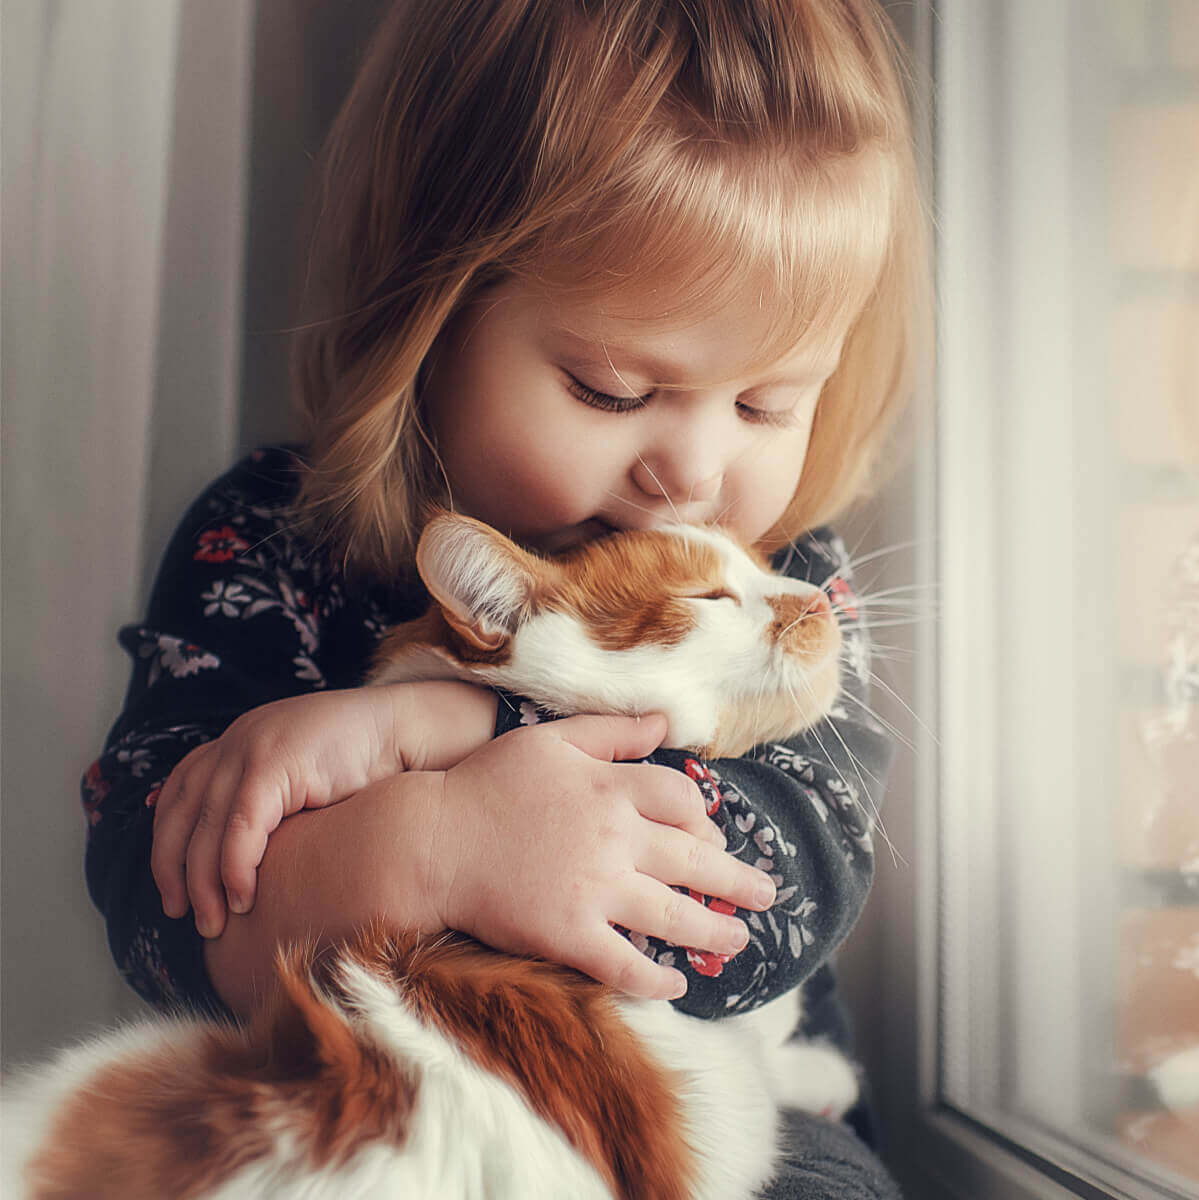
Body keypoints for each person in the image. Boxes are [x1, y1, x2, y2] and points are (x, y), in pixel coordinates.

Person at [83, 2, 928, 1195]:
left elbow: (791, 883)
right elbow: (151, 896)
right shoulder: (272, 541)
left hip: (720, 1120)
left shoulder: (782, 577)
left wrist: (456, 726)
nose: (690, 476)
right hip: (377, 1103)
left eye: (764, 406)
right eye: (610, 387)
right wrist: (425, 851)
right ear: (430, 313)